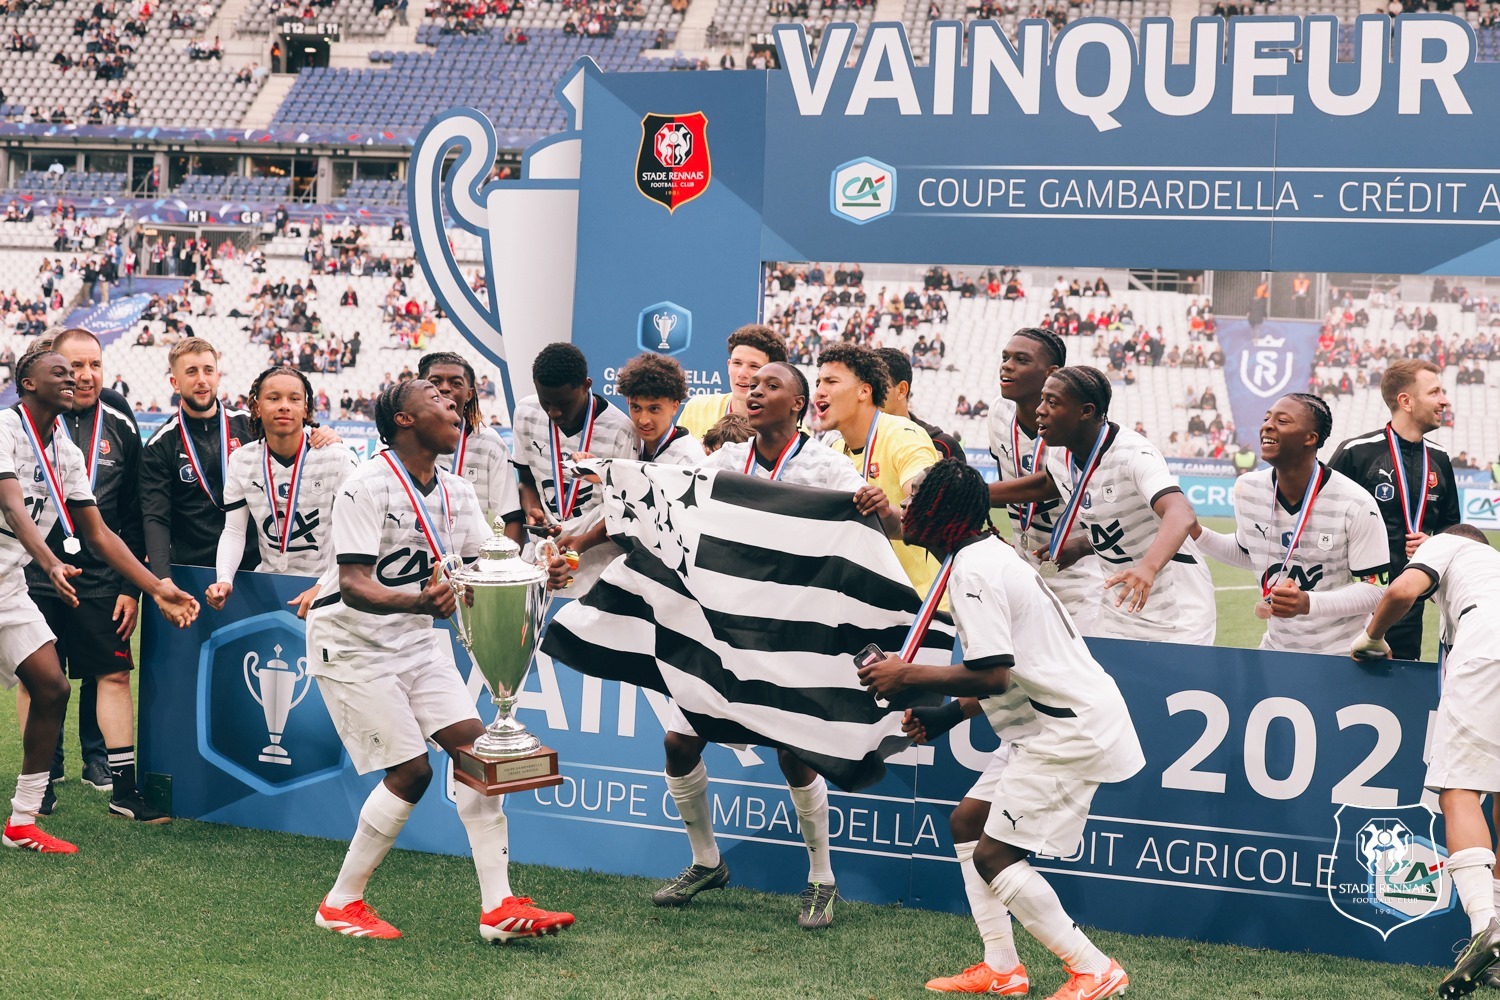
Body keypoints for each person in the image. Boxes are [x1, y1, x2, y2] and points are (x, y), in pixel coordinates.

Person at [858, 459, 1140, 1000]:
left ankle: (1095, 969)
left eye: (917, 500)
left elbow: (993, 671)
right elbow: (1015, 668)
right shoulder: (978, 556)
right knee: (968, 823)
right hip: (1044, 723)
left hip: (1067, 731)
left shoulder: (975, 569)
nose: (907, 508)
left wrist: (906, 672)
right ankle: (1003, 968)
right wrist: (947, 714)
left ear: (945, 513)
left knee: (994, 855)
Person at [305, 380, 573, 941]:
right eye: (437, 397)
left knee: (477, 756)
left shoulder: (456, 489)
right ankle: (340, 902)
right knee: (412, 772)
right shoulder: (365, 485)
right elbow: (353, 585)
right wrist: (419, 601)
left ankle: (498, 909)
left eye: (456, 400)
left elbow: (482, 565)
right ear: (403, 419)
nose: (454, 405)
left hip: (419, 640)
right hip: (353, 644)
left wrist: (541, 570)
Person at [655, 361, 894, 929]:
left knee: (795, 754)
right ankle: (706, 862)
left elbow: (884, 532)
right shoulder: (725, 461)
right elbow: (672, 508)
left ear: (798, 405)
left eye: (770, 386)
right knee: (679, 741)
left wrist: (879, 509)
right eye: (751, 384)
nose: (754, 391)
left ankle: (822, 879)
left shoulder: (827, 467)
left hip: (797, 633)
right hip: (728, 630)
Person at [2, 348, 199, 854]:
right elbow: (11, 506)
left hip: (8, 586)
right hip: (29, 573)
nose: (72, 379)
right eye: (60, 372)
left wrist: (156, 586)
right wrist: (47, 561)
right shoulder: (4, 427)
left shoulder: (65, 450)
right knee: (48, 686)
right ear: (26, 382)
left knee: (51, 688)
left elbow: (100, 533)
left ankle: (23, 822)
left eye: (77, 372)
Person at [1352, 524, 1500, 999]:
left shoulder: (1452, 544)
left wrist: (1371, 636)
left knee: (1458, 788)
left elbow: (1401, 589)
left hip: (1487, 650)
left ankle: (1486, 923)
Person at [20, 329, 157, 819]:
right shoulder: (21, 424)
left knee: (114, 674)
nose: (84, 375)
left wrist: (132, 587)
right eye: (73, 365)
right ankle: (42, 776)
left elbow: (134, 512)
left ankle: (121, 785)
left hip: (100, 576)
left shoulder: (119, 421)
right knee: (37, 677)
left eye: (94, 365)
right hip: (33, 575)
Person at [987, 367, 1215, 644]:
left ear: (1086, 411)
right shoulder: (1061, 454)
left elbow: (1181, 514)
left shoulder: (1134, 454)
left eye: (1052, 402)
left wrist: (1148, 567)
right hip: (1116, 608)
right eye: (1042, 399)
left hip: (1178, 613)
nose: (1040, 410)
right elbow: (1044, 485)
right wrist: (972, 493)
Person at [1192, 394, 1388, 653]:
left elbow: (1375, 591)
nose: (1267, 425)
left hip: (1339, 655)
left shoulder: (1355, 503)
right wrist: (1196, 532)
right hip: (1276, 651)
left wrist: (1308, 603)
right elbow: (1249, 553)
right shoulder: (1247, 489)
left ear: (1310, 438)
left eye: (1282, 421)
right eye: (1266, 418)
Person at [141, 338, 340, 576]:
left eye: (208, 370)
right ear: (175, 382)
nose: (202, 380)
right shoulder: (160, 444)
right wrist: (163, 578)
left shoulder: (250, 425)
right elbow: (156, 518)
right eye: (191, 372)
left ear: (218, 376)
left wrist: (325, 435)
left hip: (254, 567)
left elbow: (293, 433)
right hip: (191, 568)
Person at [1329, 359, 1459, 659]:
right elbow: (1323, 520)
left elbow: (1452, 528)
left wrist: (1435, 543)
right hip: (1352, 609)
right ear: (1406, 401)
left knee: (1394, 700)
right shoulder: (1356, 453)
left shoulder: (1440, 459)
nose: (1444, 400)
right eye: (1435, 392)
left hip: (1407, 610)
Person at [206, 368, 357, 617]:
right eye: (274, 398)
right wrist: (224, 578)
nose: (284, 406)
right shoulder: (242, 461)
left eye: (294, 399)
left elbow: (353, 535)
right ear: (256, 407)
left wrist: (323, 585)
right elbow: (234, 531)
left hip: (329, 587)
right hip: (269, 588)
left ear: (306, 409)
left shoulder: (337, 458)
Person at [986, 329, 1104, 634]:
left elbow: (1047, 484)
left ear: (1051, 373)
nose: (1007, 365)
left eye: (1021, 360)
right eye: (1005, 357)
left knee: (1077, 675)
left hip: (1079, 581)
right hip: (1022, 572)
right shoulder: (998, 415)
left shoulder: (1076, 425)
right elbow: (1009, 481)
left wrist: (971, 493)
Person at [814, 342, 940, 595]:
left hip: (918, 605)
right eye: (818, 383)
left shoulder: (904, 435)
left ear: (863, 392)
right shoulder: (835, 450)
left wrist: (884, 512)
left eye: (831, 382)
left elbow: (929, 515)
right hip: (865, 601)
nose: (819, 392)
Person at [510, 343, 635, 597]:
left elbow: (624, 508)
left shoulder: (621, 429)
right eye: (546, 402)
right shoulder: (526, 411)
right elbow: (525, 477)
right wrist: (532, 510)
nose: (554, 412)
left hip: (597, 560)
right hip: (542, 554)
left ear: (586, 385)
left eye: (563, 403)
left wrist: (583, 543)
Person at [419, 351, 523, 537]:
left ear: (469, 394)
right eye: (435, 382)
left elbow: (511, 516)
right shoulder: (403, 438)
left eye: (456, 383)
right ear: (418, 388)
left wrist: (506, 565)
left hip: (468, 561)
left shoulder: (490, 443)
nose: (444, 388)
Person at [676, 325, 786, 440]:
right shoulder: (697, 408)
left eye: (754, 366)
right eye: (737, 363)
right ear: (728, 365)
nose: (742, 373)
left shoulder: (790, 428)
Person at [873, 347, 963, 462]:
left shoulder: (942, 446)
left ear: (901, 390)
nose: (867, 394)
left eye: (877, 386)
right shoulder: (852, 445)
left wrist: (931, 473)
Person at [616, 351, 701, 465]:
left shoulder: (689, 461)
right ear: (628, 402)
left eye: (654, 409)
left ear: (674, 407)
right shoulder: (624, 444)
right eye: (636, 407)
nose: (643, 420)